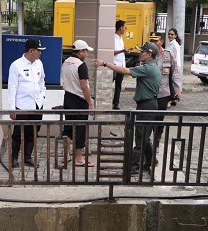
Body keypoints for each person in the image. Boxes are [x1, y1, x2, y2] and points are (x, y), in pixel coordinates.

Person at [96, 41, 160, 176]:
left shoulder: (148, 68)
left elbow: (125, 71)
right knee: (145, 135)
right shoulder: (151, 66)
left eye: (142, 52)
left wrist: (105, 63)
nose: (140, 54)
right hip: (148, 105)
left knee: (140, 137)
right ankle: (150, 160)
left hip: (147, 106)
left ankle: (133, 168)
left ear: (149, 54)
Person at [6, 37, 46, 168]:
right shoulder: (16, 65)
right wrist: (12, 108)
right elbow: (12, 88)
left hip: (37, 105)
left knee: (33, 131)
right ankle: (13, 158)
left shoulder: (39, 63)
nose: (40, 53)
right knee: (18, 133)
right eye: (38, 50)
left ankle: (27, 157)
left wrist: (42, 96)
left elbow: (42, 81)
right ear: (31, 51)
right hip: (22, 106)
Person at [60, 39, 94, 168]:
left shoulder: (66, 62)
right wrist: (90, 103)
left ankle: (65, 156)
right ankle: (78, 159)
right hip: (79, 100)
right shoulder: (81, 65)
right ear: (81, 51)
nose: (87, 54)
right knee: (80, 129)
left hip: (67, 98)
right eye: (86, 51)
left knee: (68, 128)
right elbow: (84, 87)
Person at [150, 33, 183, 166]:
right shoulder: (148, 54)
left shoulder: (168, 55)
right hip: (150, 93)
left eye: (156, 41)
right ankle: (149, 143)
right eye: (151, 40)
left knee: (159, 119)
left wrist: (178, 89)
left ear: (161, 41)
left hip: (163, 93)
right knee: (149, 118)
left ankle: (157, 142)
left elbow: (175, 73)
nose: (154, 43)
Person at [111, 20, 127, 109]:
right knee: (110, 83)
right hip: (115, 64)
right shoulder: (113, 38)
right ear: (120, 27)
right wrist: (122, 50)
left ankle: (116, 103)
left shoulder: (121, 38)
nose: (125, 29)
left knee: (118, 85)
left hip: (121, 65)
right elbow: (112, 52)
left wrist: (124, 50)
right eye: (125, 27)